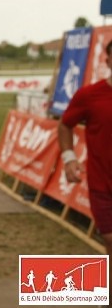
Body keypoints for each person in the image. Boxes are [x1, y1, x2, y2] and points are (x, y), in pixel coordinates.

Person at [58, 39, 112, 255]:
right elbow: (65, 124)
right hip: (103, 185)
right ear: (108, 61)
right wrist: (69, 158)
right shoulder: (89, 95)